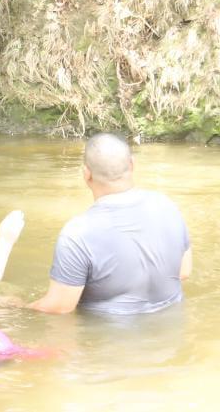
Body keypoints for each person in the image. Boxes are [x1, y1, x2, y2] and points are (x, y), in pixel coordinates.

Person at [29, 133, 191, 315]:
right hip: (171, 330)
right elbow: (184, 271)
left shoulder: (78, 233)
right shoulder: (167, 206)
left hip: (111, 337)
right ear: (132, 164)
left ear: (86, 174)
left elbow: (60, 307)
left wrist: (16, 307)